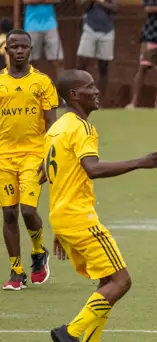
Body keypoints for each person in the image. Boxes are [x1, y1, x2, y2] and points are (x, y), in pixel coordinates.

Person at [46, 69, 157, 342]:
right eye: (90, 87)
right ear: (74, 95)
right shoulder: (82, 128)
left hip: (63, 216)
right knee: (121, 281)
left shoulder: (57, 127)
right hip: (79, 217)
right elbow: (92, 169)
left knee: (106, 281)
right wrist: (140, 162)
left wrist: (59, 228)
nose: (97, 90)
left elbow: (52, 174)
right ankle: (72, 333)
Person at [0, 30, 58, 290]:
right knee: (9, 213)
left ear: (30, 49)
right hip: (4, 157)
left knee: (27, 209)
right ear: (7, 50)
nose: (20, 51)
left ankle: (38, 251)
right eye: (14, 46)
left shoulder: (42, 82)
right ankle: (16, 271)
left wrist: (48, 158)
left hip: (34, 155)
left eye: (24, 46)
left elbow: (51, 123)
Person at [76, 0, 119, 98]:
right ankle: (77, 96)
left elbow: (115, 8)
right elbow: (83, 5)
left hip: (107, 31)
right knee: (81, 64)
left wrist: (100, 2)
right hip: (89, 28)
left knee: (103, 67)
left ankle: (99, 101)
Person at [23, 0, 64, 81]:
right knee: (33, 62)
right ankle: (34, 88)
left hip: (51, 25)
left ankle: (62, 91)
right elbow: (26, 1)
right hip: (31, 26)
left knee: (58, 61)